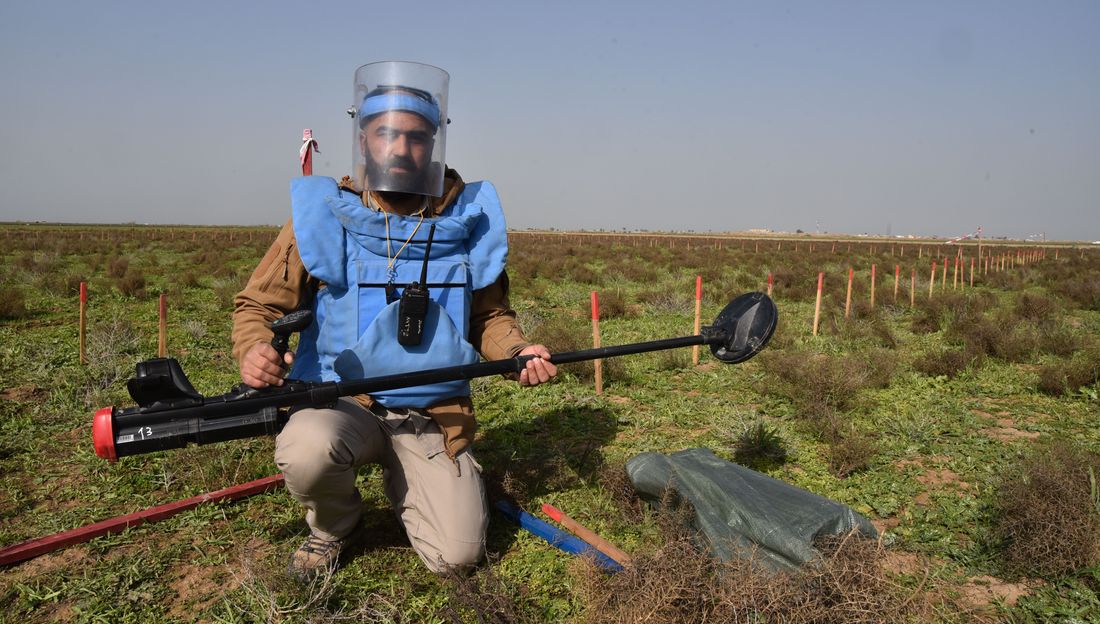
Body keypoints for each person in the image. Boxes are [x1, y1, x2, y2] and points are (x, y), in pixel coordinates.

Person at [232, 61, 557, 580]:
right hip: (340, 401)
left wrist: (517, 351)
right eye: (386, 134)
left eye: (416, 137)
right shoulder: (322, 215)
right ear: (364, 140)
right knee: (306, 448)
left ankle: (431, 476)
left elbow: (489, 316)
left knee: (458, 556)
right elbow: (259, 306)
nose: (401, 148)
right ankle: (335, 528)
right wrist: (253, 350)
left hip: (431, 407)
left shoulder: (467, 220)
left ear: (434, 142)